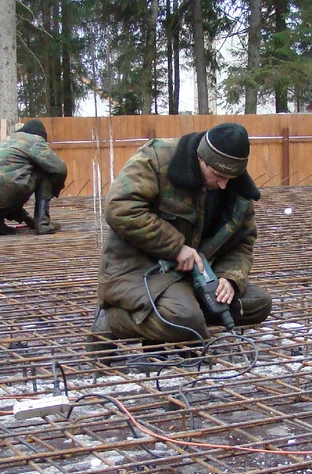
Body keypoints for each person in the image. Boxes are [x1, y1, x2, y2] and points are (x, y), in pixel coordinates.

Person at [91, 122, 273, 344]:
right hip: (137, 270)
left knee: (257, 303)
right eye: (217, 174)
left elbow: (242, 243)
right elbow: (120, 207)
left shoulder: (237, 191)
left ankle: (175, 320)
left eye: (230, 177)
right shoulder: (157, 158)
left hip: (193, 277)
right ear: (201, 159)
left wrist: (230, 278)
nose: (224, 185)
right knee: (185, 319)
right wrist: (175, 248)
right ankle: (111, 320)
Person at [0, 119, 67, 235]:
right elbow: (59, 169)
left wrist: (28, 220)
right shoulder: (34, 140)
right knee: (44, 170)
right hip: (6, 188)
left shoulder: (7, 141)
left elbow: (2, 182)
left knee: (6, 181)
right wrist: (55, 188)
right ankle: (43, 223)